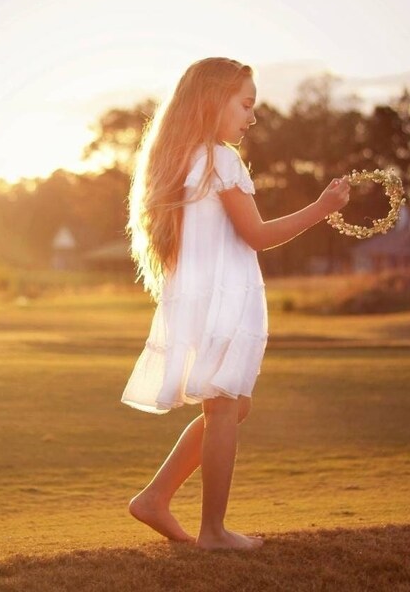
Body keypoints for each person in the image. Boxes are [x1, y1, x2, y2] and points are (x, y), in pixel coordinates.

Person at [121, 57, 351, 550]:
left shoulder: (182, 157)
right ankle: (214, 532)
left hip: (199, 298)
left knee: (232, 406)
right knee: (225, 410)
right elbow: (258, 235)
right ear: (212, 101)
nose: (251, 117)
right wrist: (323, 208)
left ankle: (155, 498)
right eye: (245, 104)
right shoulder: (220, 158)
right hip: (224, 300)